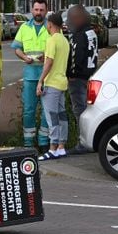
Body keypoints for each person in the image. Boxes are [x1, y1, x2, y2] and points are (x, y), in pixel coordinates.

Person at [12, 0, 51, 150]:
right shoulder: (24, 28)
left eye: (41, 10)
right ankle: (28, 143)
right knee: (29, 109)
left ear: (46, 11)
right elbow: (16, 48)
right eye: (36, 10)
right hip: (29, 75)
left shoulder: (50, 27)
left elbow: (58, 48)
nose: (38, 13)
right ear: (32, 10)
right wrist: (23, 57)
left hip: (47, 75)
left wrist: (46, 56)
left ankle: (43, 141)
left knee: (46, 109)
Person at [36, 13, 71, 160]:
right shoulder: (64, 41)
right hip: (62, 83)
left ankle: (52, 148)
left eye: (47, 23)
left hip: (51, 83)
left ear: (50, 24)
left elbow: (49, 63)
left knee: (51, 116)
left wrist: (40, 81)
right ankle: (61, 146)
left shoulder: (51, 40)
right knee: (62, 115)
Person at [65, 5, 99, 154]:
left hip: (78, 78)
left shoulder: (79, 36)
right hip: (90, 75)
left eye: (71, 19)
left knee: (80, 111)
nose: (68, 23)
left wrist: (71, 73)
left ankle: (83, 143)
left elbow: (76, 57)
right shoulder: (92, 33)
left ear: (78, 18)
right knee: (87, 110)